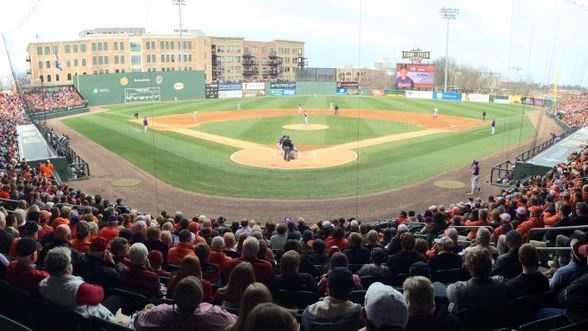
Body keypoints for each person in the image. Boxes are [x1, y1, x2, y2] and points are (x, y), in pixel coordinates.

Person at [134, 276, 236, 331]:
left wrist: (148, 310)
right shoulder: (217, 316)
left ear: (175, 295)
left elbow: (138, 322)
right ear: (200, 297)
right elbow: (235, 322)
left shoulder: (158, 313)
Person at [39, 247, 114, 321]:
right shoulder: (80, 289)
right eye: (71, 262)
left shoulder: (42, 284)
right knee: (117, 299)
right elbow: (100, 294)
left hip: (62, 320)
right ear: (68, 267)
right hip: (85, 322)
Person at [446, 247, 507, 314]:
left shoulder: (457, 289)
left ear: (468, 267)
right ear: (490, 265)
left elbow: (450, 299)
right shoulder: (501, 283)